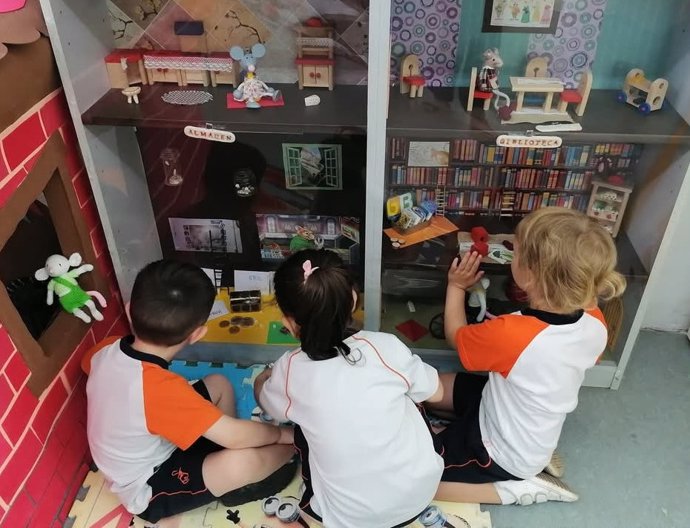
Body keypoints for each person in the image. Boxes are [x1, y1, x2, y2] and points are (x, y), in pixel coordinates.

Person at [429, 207, 626, 506]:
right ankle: (538, 456)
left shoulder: (513, 333)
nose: (510, 258)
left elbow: (456, 336)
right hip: (511, 415)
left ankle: (516, 490)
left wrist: (456, 286)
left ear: (531, 276)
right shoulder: (595, 321)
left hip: (499, 452)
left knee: (416, 478)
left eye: (515, 254)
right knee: (437, 385)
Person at [83, 260, 297, 526]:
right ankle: (295, 451)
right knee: (244, 460)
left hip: (159, 438)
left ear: (129, 310)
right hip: (150, 487)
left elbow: (95, 370)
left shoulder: (106, 351)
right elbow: (236, 436)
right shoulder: (161, 391)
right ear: (198, 334)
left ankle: (217, 458)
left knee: (217, 383)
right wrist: (286, 435)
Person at [254, 249, 445, 528]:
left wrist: (263, 378)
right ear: (354, 299)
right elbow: (435, 393)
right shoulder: (385, 346)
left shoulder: (288, 369)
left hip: (350, 518)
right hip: (420, 493)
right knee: (410, 397)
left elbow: (269, 405)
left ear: (288, 323)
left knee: (301, 430)